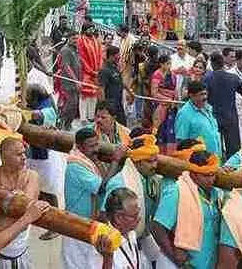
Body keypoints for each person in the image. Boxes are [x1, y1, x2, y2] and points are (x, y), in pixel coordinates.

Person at [63, 127, 128, 269]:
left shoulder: (89, 161)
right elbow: (102, 188)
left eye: (97, 144)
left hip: (88, 227)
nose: (96, 149)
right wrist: (116, 160)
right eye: (91, 146)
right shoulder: (76, 166)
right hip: (76, 228)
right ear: (80, 147)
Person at [151, 149, 223, 269]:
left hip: (210, 263)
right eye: (206, 175)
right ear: (193, 173)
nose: (211, 180)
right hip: (185, 264)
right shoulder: (177, 191)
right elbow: (157, 227)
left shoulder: (216, 193)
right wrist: (175, 257)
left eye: (213, 175)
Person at [0, 137, 40, 268]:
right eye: (18, 154)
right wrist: (18, 207)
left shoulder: (32, 176)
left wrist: (8, 210)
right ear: (4, 157)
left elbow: (25, 210)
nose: (24, 158)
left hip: (22, 250)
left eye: (24, 153)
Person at [25, 84, 62, 241]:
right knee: (38, 190)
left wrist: (21, 112)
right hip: (36, 155)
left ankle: (56, 225)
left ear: (35, 98)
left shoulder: (47, 109)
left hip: (45, 158)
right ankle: (43, 217)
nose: (27, 101)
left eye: (28, 98)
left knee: (48, 192)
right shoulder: (42, 102)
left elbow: (37, 115)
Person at [203, 52, 242, 160]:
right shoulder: (234, 78)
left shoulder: (207, 78)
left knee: (214, 148)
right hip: (230, 118)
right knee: (233, 150)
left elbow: (203, 97)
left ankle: (216, 166)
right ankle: (233, 167)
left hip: (213, 118)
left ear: (212, 64)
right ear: (223, 63)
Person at [99, 188, 153, 269]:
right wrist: (108, 258)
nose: (139, 218)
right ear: (118, 218)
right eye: (134, 216)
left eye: (138, 212)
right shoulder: (102, 241)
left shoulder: (131, 234)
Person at [175, 80, 222, 159]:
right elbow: (181, 141)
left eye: (205, 94)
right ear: (191, 96)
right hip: (199, 161)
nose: (205, 97)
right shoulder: (184, 114)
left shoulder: (208, 108)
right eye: (201, 94)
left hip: (215, 157)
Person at [150, 53, 179, 152]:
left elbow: (175, 89)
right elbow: (154, 93)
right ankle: (159, 150)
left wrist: (175, 98)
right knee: (160, 129)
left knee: (170, 128)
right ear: (161, 64)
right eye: (167, 63)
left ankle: (170, 151)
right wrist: (167, 99)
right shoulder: (157, 75)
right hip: (160, 105)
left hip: (171, 106)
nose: (169, 66)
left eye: (170, 63)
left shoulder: (172, 75)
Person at [78, 24, 104, 123]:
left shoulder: (96, 41)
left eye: (92, 29)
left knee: (93, 95)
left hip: (96, 72)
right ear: (84, 30)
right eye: (89, 29)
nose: (91, 31)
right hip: (85, 72)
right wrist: (90, 71)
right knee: (84, 95)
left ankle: (91, 116)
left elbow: (100, 55)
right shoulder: (81, 40)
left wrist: (99, 69)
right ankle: (83, 118)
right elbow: (81, 58)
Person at [56, 30, 81, 130]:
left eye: (77, 38)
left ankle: (68, 124)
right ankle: (61, 121)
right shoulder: (65, 50)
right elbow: (67, 67)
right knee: (71, 103)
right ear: (68, 38)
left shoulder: (75, 49)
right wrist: (76, 80)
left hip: (76, 81)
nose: (76, 40)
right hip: (68, 82)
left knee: (74, 104)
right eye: (73, 38)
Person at [98, 45, 126, 126]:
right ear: (111, 56)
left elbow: (121, 82)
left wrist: (130, 93)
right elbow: (101, 89)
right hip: (110, 104)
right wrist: (103, 106)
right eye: (118, 55)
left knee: (122, 125)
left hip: (118, 102)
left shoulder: (115, 68)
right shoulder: (104, 70)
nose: (119, 57)